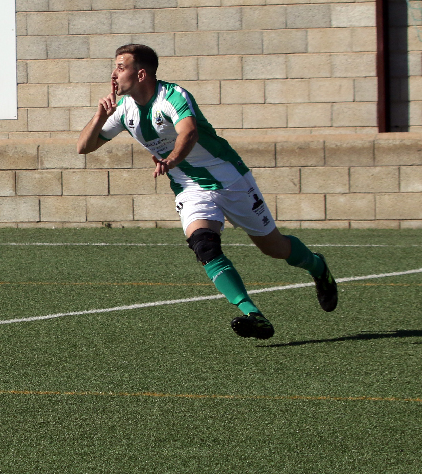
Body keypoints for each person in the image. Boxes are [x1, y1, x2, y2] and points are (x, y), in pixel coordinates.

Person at [76, 43, 337, 339]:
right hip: (190, 188)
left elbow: (189, 132)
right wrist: (100, 116)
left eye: (121, 67)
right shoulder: (124, 110)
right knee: (204, 245)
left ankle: (318, 266)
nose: (114, 74)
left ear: (141, 74)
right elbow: (83, 147)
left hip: (230, 179)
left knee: (274, 248)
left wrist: (171, 160)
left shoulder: (172, 96)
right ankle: (252, 314)